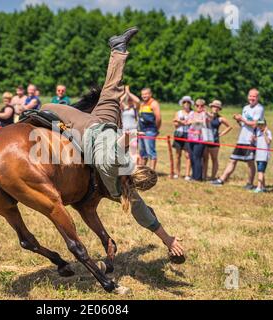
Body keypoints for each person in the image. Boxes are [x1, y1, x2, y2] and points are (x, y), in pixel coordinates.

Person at [41, 27, 185, 261]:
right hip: (103, 123)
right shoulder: (124, 192)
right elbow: (146, 217)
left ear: (137, 170)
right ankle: (118, 48)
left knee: (47, 108)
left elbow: (123, 141)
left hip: (87, 127)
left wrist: (128, 137)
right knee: (110, 91)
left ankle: (118, 49)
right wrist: (168, 240)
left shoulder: (120, 161)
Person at [212, 89, 265, 188]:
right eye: (250, 96)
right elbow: (243, 124)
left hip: (251, 139)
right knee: (232, 160)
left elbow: (255, 124)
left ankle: (249, 183)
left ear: (258, 98)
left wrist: (242, 119)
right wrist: (238, 120)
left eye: (254, 96)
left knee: (250, 162)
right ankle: (221, 180)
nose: (251, 98)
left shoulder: (259, 108)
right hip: (242, 138)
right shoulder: (245, 108)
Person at [203, 100, 232, 181]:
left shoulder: (220, 118)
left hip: (215, 141)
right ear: (211, 107)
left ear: (219, 109)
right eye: (214, 106)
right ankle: (204, 176)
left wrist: (221, 134)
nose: (215, 108)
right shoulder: (206, 115)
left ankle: (213, 177)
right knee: (205, 158)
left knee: (214, 159)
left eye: (217, 107)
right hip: (205, 139)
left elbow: (229, 127)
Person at [187, 99, 211, 181]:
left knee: (197, 157)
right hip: (190, 137)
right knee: (192, 157)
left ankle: (198, 177)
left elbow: (208, 119)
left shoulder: (205, 114)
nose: (199, 107)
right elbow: (188, 122)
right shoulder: (191, 113)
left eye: (201, 105)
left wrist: (205, 113)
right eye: (197, 105)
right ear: (194, 106)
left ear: (204, 106)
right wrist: (196, 121)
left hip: (200, 138)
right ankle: (194, 175)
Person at [138, 87, 161, 171]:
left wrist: (156, 129)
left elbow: (158, 118)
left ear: (150, 94)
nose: (144, 96)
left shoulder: (154, 103)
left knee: (151, 152)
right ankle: (142, 171)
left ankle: (152, 172)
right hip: (141, 131)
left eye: (146, 94)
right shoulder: (142, 104)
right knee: (142, 152)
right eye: (143, 94)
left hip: (150, 131)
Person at [173, 96, 193, 180]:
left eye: (188, 102)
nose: (186, 104)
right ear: (182, 103)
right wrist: (182, 123)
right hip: (179, 134)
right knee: (178, 155)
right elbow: (175, 124)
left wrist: (181, 122)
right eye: (184, 102)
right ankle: (177, 173)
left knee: (188, 155)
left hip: (189, 135)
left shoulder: (193, 113)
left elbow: (194, 123)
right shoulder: (178, 112)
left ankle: (187, 174)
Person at [120, 85, 140, 162]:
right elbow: (119, 101)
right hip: (123, 132)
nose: (129, 101)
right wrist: (125, 93)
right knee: (123, 150)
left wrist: (129, 92)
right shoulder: (123, 108)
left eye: (131, 100)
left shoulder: (136, 108)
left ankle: (133, 168)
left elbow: (138, 101)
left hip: (133, 132)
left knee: (133, 150)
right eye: (128, 100)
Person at [252, 120, 272, 193]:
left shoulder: (268, 132)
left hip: (264, 155)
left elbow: (268, 142)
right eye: (259, 125)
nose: (260, 126)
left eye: (262, 125)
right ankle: (263, 187)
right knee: (261, 171)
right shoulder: (257, 132)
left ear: (265, 125)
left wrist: (265, 134)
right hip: (258, 155)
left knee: (260, 171)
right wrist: (253, 139)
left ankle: (259, 187)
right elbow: (257, 143)